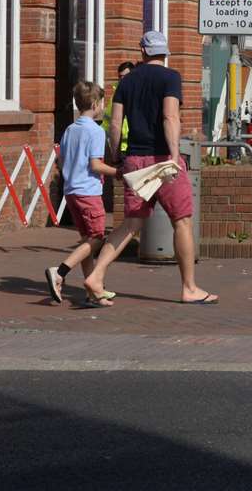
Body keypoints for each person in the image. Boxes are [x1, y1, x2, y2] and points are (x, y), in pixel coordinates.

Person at [82, 31, 216, 306]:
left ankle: (96, 275)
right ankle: (189, 288)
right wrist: (175, 155)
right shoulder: (171, 78)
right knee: (182, 221)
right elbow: (170, 116)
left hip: (134, 160)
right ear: (165, 53)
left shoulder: (127, 82)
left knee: (131, 223)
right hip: (162, 160)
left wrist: (117, 155)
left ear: (142, 52)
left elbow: (116, 124)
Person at [45, 81, 119, 306]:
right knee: (97, 238)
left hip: (71, 192)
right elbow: (95, 165)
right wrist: (119, 172)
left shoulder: (70, 129)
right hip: (88, 191)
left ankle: (92, 293)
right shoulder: (95, 131)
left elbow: (62, 160)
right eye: (103, 103)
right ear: (96, 104)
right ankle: (60, 271)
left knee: (87, 240)